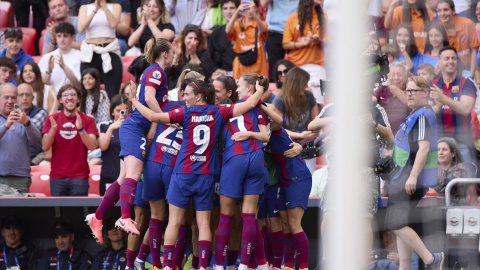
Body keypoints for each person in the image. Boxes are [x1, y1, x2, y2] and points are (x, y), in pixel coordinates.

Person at [128, 78, 266, 270]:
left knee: (174, 221)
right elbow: (251, 103)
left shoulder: (185, 112)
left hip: (183, 172)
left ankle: (167, 265)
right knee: (203, 223)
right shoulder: (219, 111)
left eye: (188, 94)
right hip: (206, 174)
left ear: (199, 96)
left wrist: (134, 100)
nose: (184, 96)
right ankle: (202, 266)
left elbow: (154, 116)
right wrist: (259, 90)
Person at [85, 37, 175, 240]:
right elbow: (150, 98)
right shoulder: (156, 71)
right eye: (174, 53)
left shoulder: (153, 71)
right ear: (165, 54)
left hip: (136, 127)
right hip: (135, 127)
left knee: (123, 178)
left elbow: (148, 101)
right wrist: (166, 120)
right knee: (134, 174)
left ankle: (97, 217)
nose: (175, 56)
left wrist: (154, 125)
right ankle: (125, 217)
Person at [309, 93, 394, 266]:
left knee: (363, 218)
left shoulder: (375, 108)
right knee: (330, 213)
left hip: (366, 169)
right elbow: (312, 124)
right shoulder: (334, 105)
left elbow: (391, 138)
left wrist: (373, 124)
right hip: (339, 169)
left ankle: (363, 264)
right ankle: (327, 261)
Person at [384, 76, 444, 270]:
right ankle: (405, 267)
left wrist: (412, 176)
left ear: (425, 94)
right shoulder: (416, 113)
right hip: (400, 176)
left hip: (408, 178)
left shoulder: (424, 114)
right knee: (401, 225)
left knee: (394, 224)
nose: (408, 93)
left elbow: (424, 149)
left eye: (413, 91)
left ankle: (431, 259)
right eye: (407, 90)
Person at [214, 74, 270, 270]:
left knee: (226, 217)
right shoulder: (257, 106)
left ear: (248, 89)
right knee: (249, 217)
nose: (237, 89)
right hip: (256, 158)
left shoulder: (222, 110)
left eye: (240, 86)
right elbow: (266, 136)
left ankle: (220, 266)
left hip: (234, 160)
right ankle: (245, 265)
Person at [41, 84, 99, 196]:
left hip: (79, 176)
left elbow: (92, 146)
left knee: (78, 212)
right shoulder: (52, 119)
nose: (69, 97)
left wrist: (81, 129)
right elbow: (45, 146)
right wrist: (52, 131)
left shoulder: (88, 120)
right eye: (65, 95)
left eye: (73, 94)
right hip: (57, 176)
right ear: (60, 100)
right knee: (57, 212)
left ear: (78, 99)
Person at [430, 46, 477, 174]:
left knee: (469, 181)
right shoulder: (431, 84)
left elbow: (466, 108)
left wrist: (443, 98)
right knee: (433, 182)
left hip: (461, 139)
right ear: (439, 62)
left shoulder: (466, 83)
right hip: (437, 140)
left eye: (453, 58)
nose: (450, 61)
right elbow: (427, 113)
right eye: (446, 58)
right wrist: (438, 105)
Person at [272, 67, 319, 173]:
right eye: (304, 84)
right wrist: (300, 135)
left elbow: (315, 121)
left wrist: (316, 130)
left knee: (310, 176)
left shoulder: (308, 96)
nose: (307, 87)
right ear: (295, 84)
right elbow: (276, 129)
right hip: (288, 146)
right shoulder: (280, 99)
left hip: (307, 145)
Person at [283, 0, 328, 104]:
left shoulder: (323, 16)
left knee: (317, 103)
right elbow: (285, 44)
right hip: (296, 66)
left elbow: (328, 42)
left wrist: (318, 40)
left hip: (317, 66)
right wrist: (304, 43)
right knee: (297, 103)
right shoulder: (292, 18)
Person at [0, 83, 42, 193]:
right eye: (6, 97)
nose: (10, 101)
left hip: (20, 178)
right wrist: (6, 125)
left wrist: (27, 123)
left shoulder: (23, 118)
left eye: (13, 98)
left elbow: (37, 140)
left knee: (18, 210)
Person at [78, 0, 123, 99]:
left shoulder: (116, 6)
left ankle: (113, 114)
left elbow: (113, 24)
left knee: (113, 93)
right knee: (88, 93)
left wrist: (104, 6)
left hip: (109, 50)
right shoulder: (85, 7)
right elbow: (81, 28)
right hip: (90, 52)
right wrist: (95, 10)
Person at [226, 0, 268, 80]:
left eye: (252, 7)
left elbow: (263, 30)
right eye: (246, 6)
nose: (249, 10)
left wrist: (254, 14)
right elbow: (228, 31)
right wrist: (236, 12)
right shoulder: (237, 25)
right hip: (241, 68)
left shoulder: (261, 23)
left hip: (258, 67)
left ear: (257, 8)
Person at [437, 0, 479, 79]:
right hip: (451, 70)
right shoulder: (438, 28)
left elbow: (474, 50)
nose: (442, 14)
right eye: (439, 11)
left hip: (470, 68)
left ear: (454, 11)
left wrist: (472, 75)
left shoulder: (467, 24)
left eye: (446, 10)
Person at [39, 22, 82, 94]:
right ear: (55, 37)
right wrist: (48, 71)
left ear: (72, 37)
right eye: (59, 36)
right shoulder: (47, 57)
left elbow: (79, 85)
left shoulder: (80, 56)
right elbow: (41, 85)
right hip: (51, 98)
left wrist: (64, 67)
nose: (62, 39)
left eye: (65, 36)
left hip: (73, 97)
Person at [97, 94, 128, 195]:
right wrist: (111, 128)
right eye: (118, 111)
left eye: (125, 110)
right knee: (108, 208)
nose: (122, 114)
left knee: (128, 209)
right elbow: (102, 146)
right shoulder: (105, 126)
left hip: (129, 177)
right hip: (109, 175)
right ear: (112, 111)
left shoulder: (134, 127)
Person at [261, 0, 298, 82]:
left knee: (297, 69)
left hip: (296, 31)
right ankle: (275, 93)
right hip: (275, 30)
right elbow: (263, 4)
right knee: (274, 71)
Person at [434, 137, 475, 205]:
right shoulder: (434, 169)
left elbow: (443, 188)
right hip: (437, 208)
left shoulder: (460, 169)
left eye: (444, 149)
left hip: (455, 209)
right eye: (438, 150)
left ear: (453, 153)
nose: (440, 152)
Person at [373, 63, 410, 134]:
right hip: (384, 134)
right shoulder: (382, 89)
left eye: (399, 75)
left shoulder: (410, 90)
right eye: (392, 75)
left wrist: (392, 87)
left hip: (403, 135)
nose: (396, 78)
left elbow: (409, 103)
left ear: (406, 77)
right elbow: (371, 101)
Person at [17, 84, 48, 164]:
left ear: (32, 98)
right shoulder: (8, 112)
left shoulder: (41, 112)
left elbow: (29, 132)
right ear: (15, 98)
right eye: (21, 95)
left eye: (27, 95)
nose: (24, 98)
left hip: (32, 157)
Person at [208, 0, 239, 79]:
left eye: (232, 8)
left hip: (243, 73)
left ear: (238, 10)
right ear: (221, 11)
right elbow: (209, 56)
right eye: (225, 8)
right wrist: (216, 69)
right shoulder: (216, 33)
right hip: (223, 74)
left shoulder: (245, 30)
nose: (228, 12)